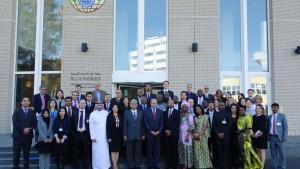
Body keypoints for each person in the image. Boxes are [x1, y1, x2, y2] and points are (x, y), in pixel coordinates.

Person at [12, 97, 37, 169]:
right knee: (16, 153)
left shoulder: (32, 112)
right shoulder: (17, 111)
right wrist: (23, 129)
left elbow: (35, 123)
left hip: (28, 136)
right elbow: (15, 122)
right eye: (24, 101)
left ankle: (26, 167)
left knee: (27, 154)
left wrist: (29, 129)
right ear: (21, 102)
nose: (26, 102)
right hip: (18, 136)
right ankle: (16, 167)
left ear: (29, 103)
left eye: (27, 101)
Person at [123, 99, 145, 169]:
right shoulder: (126, 112)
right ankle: (130, 165)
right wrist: (124, 135)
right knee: (129, 151)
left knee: (138, 151)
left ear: (137, 105)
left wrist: (143, 134)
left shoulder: (141, 112)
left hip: (138, 135)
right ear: (130, 105)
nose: (134, 104)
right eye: (132, 103)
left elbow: (142, 124)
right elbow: (124, 125)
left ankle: (137, 165)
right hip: (129, 135)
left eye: (135, 103)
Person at [89, 102, 111, 169]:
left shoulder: (106, 113)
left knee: (104, 152)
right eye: (98, 105)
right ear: (96, 106)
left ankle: (105, 166)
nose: (99, 106)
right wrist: (92, 137)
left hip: (104, 136)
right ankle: (96, 166)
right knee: (96, 152)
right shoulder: (92, 114)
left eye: (101, 105)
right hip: (96, 137)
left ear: (103, 105)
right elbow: (91, 126)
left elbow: (108, 125)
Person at [71, 99, 91, 169]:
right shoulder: (74, 112)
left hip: (85, 134)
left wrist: (88, 134)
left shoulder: (89, 113)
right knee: (75, 152)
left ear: (85, 104)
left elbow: (90, 125)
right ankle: (75, 166)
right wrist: (73, 134)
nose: (82, 104)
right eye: (81, 103)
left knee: (86, 152)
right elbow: (71, 124)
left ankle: (85, 166)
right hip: (76, 134)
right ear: (79, 104)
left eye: (84, 103)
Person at [144, 98, 164, 169]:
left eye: (155, 103)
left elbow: (162, 123)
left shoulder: (160, 112)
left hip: (158, 134)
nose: (154, 104)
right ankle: (150, 165)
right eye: (153, 103)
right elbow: (146, 123)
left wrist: (159, 131)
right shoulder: (146, 111)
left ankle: (156, 164)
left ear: (157, 104)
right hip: (150, 134)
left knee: (157, 150)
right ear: (150, 103)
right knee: (149, 150)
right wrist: (151, 131)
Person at [268, 103, 288, 169]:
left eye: (275, 107)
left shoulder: (282, 116)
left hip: (280, 138)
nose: (274, 109)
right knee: (273, 154)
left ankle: (283, 167)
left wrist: (285, 136)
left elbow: (285, 127)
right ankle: (275, 166)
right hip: (272, 138)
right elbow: (268, 127)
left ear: (278, 108)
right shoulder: (269, 117)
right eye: (273, 107)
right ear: (271, 109)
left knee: (282, 154)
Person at [213, 101, 232, 169]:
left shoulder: (228, 114)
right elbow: (214, 125)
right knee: (219, 151)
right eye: (220, 105)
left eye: (222, 105)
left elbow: (229, 125)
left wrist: (224, 133)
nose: (221, 106)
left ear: (225, 106)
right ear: (218, 106)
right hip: (217, 136)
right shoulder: (216, 114)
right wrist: (218, 133)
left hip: (226, 136)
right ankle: (219, 165)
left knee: (226, 151)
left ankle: (226, 165)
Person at [193, 104, 212, 169]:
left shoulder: (205, 116)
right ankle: (199, 166)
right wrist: (195, 135)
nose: (197, 110)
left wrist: (200, 135)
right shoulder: (194, 118)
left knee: (204, 150)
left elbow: (205, 126)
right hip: (196, 136)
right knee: (197, 151)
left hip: (203, 136)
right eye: (196, 109)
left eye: (198, 109)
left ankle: (206, 165)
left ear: (201, 109)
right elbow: (194, 127)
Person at [164, 99, 180, 169]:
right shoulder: (164, 112)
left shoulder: (177, 112)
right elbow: (163, 123)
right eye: (169, 103)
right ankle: (168, 164)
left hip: (174, 134)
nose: (170, 104)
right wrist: (166, 130)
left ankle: (174, 164)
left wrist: (171, 131)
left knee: (174, 149)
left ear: (174, 104)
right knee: (167, 149)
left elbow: (178, 123)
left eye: (171, 103)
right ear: (167, 104)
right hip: (166, 134)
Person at [107, 105, 123, 169]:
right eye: (114, 107)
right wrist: (109, 137)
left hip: (119, 136)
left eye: (116, 107)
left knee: (117, 150)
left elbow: (121, 126)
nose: (115, 108)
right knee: (113, 151)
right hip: (112, 136)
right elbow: (107, 128)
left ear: (118, 109)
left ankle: (115, 164)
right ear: (112, 109)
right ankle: (115, 165)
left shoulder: (120, 116)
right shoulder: (109, 116)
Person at [178, 103, 194, 169]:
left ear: (188, 108)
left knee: (187, 149)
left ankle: (188, 164)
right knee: (182, 149)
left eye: (185, 106)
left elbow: (191, 126)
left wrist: (188, 135)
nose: (184, 108)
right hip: (181, 134)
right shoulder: (180, 114)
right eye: (183, 106)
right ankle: (183, 163)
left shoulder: (190, 115)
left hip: (187, 134)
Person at [252, 104, 268, 168]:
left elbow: (262, 127)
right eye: (257, 108)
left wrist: (256, 134)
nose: (257, 109)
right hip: (254, 136)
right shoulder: (254, 116)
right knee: (257, 150)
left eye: (259, 108)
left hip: (261, 136)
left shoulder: (264, 117)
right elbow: (252, 126)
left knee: (262, 150)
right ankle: (258, 163)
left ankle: (262, 165)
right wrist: (252, 134)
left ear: (262, 110)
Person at [205, 101, 217, 168]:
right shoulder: (205, 114)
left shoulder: (217, 113)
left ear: (214, 106)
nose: (210, 106)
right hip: (208, 133)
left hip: (215, 133)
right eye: (209, 105)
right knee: (208, 147)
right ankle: (208, 162)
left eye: (212, 105)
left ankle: (215, 162)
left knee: (215, 147)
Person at [229, 104, 239, 168]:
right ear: (230, 109)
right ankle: (231, 164)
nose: (234, 109)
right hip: (229, 136)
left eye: (235, 108)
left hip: (237, 136)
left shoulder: (239, 117)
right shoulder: (228, 116)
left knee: (237, 150)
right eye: (232, 108)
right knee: (230, 150)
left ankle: (237, 165)